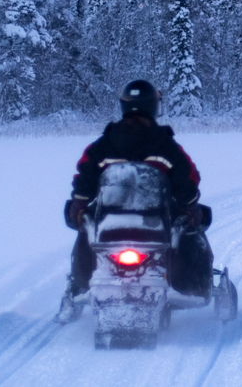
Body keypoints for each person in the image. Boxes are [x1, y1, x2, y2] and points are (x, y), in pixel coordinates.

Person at [65, 80, 213, 296]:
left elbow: (84, 177)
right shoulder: (166, 145)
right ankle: (195, 284)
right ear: (154, 106)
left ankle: (80, 282)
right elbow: (187, 178)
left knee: (84, 225)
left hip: (110, 220)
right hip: (155, 219)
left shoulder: (103, 145)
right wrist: (191, 207)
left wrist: (78, 204)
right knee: (191, 227)